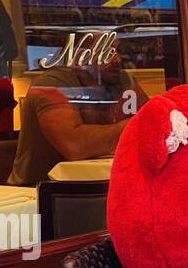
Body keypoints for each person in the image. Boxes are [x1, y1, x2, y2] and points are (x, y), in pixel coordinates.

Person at [8, 37, 148, 187]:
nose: (117, 60)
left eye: (118, 51)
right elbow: (74, 146)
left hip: (102, 185)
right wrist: (134, 125)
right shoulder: (52, 85)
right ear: (79, 57)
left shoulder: (123, 81)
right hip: (40, 191)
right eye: (106, 53)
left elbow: (156, 121)